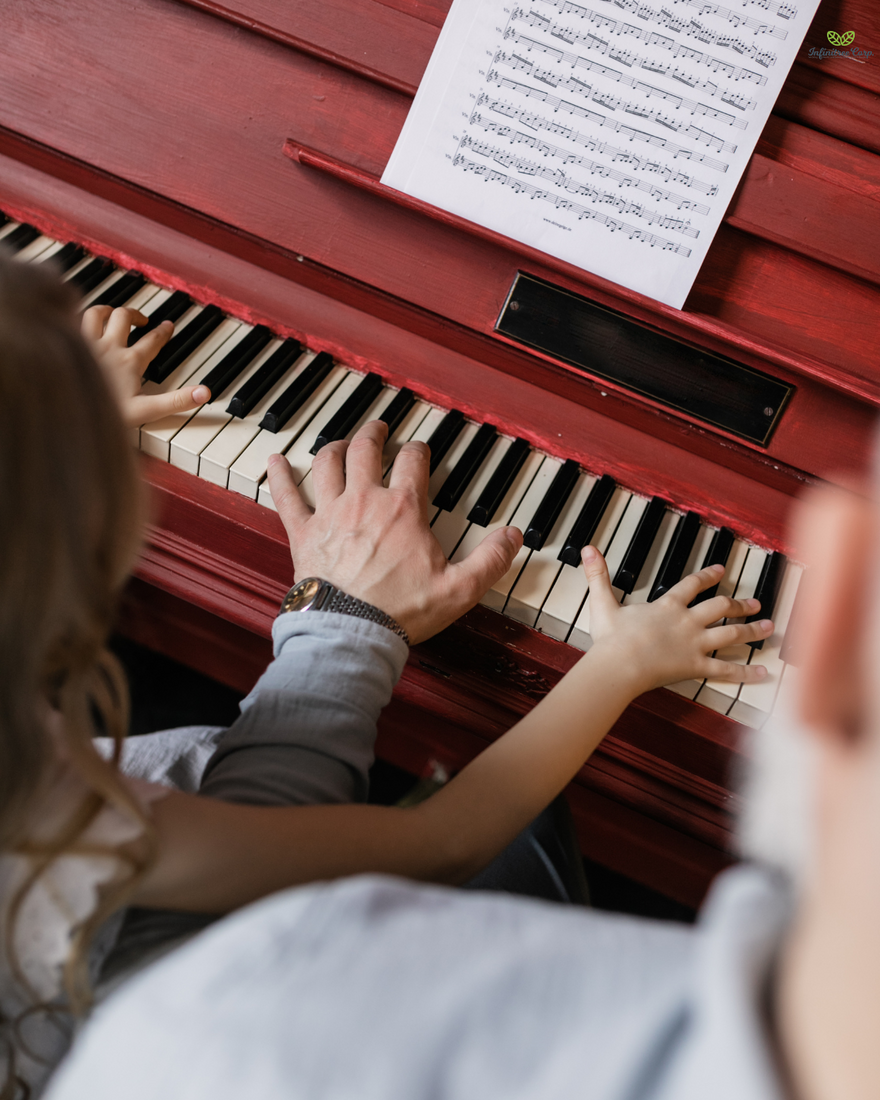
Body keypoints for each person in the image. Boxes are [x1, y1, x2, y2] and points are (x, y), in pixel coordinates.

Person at [0, 252, 772, 1098]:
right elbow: (440, 844)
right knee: (525, 855)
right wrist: (619, 662)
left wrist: (55, 438)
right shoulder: (53, 822)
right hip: (156, 1027)